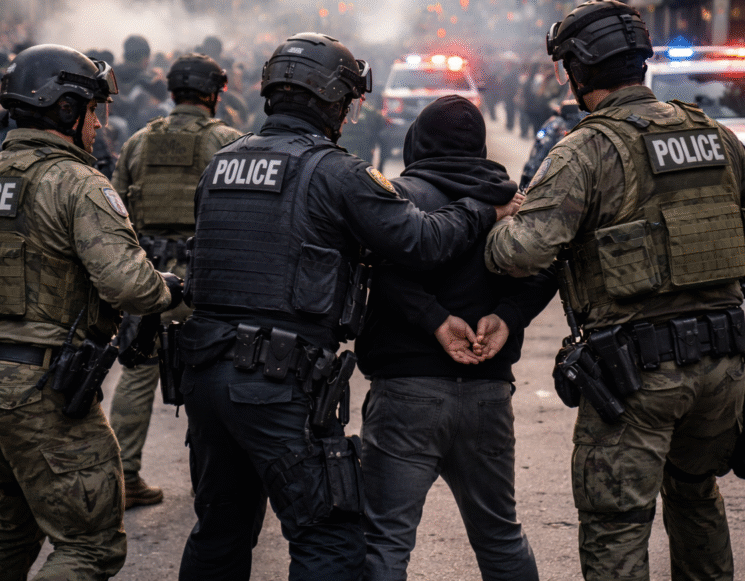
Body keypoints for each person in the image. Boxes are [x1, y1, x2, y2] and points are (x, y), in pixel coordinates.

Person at [178, 32, 519, 580]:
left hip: (203, 376)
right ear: (330, 102)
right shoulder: (336, 172)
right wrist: (482, 209)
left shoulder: (221, 164)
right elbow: (421, 241)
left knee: (220, 532)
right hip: (275, 381)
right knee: (330, 539)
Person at [485, 0, 745, 581]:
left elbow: (521, 253)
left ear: (577, 71)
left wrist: (500, 219)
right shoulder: (714, 136)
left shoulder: (585, 149)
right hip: (723, 367)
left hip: (637, 376)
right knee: (695, 493)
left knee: (616, 522)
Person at [0, 44, 183, 581]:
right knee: (90, 546)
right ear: (67, 110)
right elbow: (130, 286)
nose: (98, 123)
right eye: (93, 109)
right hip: (37, 389)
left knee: (12, 525)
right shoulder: (75, 181)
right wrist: (174, 289)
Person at [356, 94, 554, 581]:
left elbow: (379, 269)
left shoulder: (398, 197)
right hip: (487, 393)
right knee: (501, 537)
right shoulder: (509, 198)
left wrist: (434, 319)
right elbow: (548, 263)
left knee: (385, 542)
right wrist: (507, 316)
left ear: (416, 142)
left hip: (406, 395)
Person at [108, 52, 242, 509]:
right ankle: (214, 478)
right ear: (214, 93)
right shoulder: (228, 141)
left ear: (171, 93)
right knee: (214, 377)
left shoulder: (139, 143)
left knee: (136, 374)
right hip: (204, 281)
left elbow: (116, 211)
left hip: (148, 281)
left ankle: (124, 475)